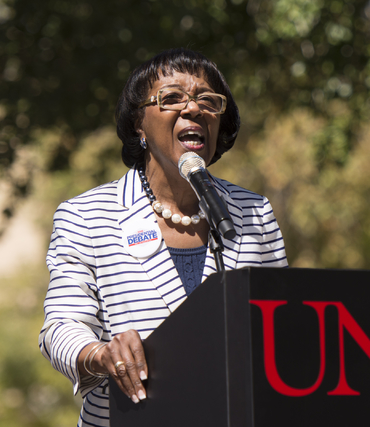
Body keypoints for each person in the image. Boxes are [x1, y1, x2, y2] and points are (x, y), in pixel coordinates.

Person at [38, 48, 288, 426]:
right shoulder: (87, 216)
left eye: (208, 100)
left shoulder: (254, 212)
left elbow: (283, 324)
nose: (194, 109)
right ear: (139, 124)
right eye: (171, 98)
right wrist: (101, 354)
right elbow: (60, 327)